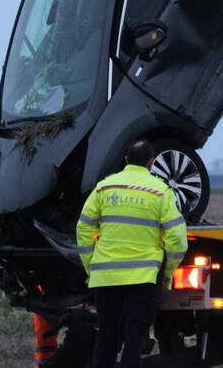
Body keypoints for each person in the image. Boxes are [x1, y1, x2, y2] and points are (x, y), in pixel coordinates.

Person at [77, 140, 188, 368]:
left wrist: (92, 266)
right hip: (144, 278)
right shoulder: (160, 191)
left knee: (106, 335)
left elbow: (83, 228)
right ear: (152, 163)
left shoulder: (105, 188)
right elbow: (177, 239)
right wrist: (167, 272)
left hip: (105, 277)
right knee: (134, 338)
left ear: (126, 160)